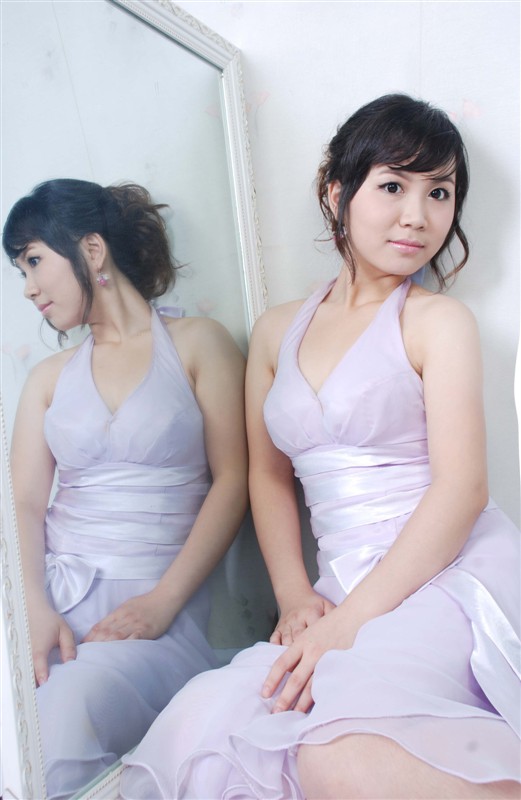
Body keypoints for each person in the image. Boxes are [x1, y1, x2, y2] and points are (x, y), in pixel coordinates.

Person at [119, 94, 520, 799]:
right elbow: (268, 477)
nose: (417, 216)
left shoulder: (438, 322)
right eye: (392, 186)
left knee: (337, 753)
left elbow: (462, 490)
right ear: (336, 193)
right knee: (200, 729)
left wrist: (352, 624)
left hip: (449, 574)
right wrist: (294, 595)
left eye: (439, 192)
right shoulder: (276, 331)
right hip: (337, 589)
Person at [2, 178, 249, 800]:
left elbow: (234, 480)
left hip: (155, 614)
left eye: (34, 260)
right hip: (48, 599)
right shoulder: (47, 378)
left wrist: (163, 602)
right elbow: (23, 503)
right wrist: (33, 608)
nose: (27, 287)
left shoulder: (199, 343)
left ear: (91, 249)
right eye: (20, 270)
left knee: (62, 717)